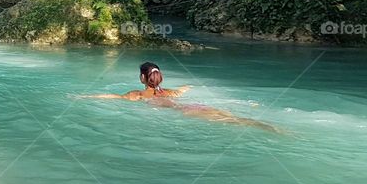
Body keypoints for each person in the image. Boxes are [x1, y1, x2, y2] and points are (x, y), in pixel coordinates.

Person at [80, 62, 281, 132]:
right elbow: (185, 89)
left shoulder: (138, 95)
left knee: (233, 123)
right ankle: (265, 125)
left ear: (142, 77)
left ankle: (263, 126)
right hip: (196, 105)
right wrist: (188, 86)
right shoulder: (169, 92)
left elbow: (112, 96)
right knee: (235, 119)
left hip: (186, 112)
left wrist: (85, 96)